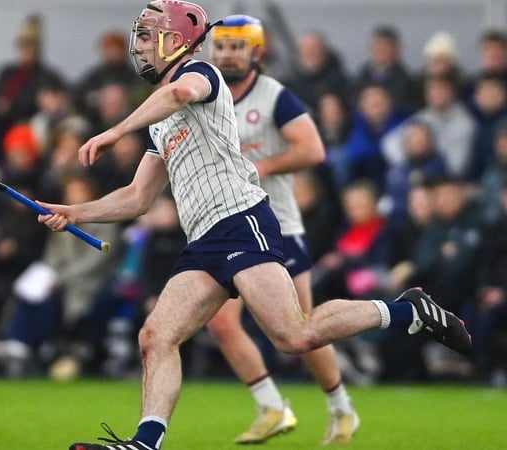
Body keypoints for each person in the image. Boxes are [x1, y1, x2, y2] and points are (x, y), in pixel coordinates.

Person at [35, 2, 471, 449]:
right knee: (156, 335)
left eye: (148, 37)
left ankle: (408, 310)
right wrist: (75, 212)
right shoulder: (159, 125)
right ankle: (146, 443)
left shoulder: (201, 75)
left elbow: (178, 95)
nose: (140, 47)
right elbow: (137, 198)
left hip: (242, 221)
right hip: (203, 241)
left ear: (174, 40)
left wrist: (115, 131)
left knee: (293, 335)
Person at [204, 15, 357, 445]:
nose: (228, 54)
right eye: (222, 46)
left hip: (278, 226)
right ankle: (272, 406)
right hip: (228, 227)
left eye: (237, 47)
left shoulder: (275, 96)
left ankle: (342, 407)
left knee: (301, 333)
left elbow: (313, 148)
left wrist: (265, 165)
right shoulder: (204, 97)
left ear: (257, 52)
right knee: (221, 324)